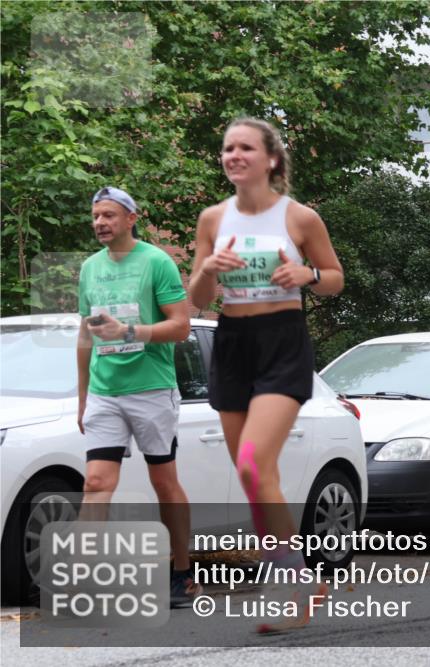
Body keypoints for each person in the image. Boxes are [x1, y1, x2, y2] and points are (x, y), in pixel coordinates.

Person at [188, 117, 344, 633]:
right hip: (232, 343)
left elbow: (335, 280)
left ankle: (288, 586)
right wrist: (209, 268)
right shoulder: (213, 218)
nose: (233, 155)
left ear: (271, 159)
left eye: (245, 148)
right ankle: (303, 584)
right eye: (227, 147)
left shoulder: (300, 218)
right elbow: (196, 301)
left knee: (255, 465)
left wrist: (307, 274)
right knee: (257, 478)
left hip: (281, 342)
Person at [77, 186, 202, 608]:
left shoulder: (156, 262)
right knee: (96, 482)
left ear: (132, 218)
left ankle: (181, 572)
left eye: (109, 215)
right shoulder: (90, 268)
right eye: (96, 216)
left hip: (151, 389)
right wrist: (82, 396)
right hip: (104, 391)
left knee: (163, 482)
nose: (100, 223)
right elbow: (85, 334)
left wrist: (130, 332)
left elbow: (181, 327)